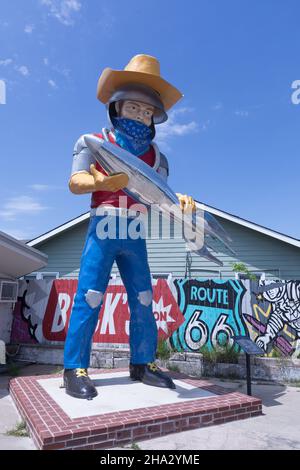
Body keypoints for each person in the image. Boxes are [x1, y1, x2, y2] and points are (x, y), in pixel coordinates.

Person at [63, 54, 196, 399]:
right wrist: (100, 185)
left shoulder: (158, 158)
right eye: (134, 108)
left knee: (143, 296)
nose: (140, 116)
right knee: (90, 295)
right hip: (104, 224)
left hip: (136, 228)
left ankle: (143, 362)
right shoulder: (92, 141)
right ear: (117, 107)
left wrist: (180, 201)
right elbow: (75, 182)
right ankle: (74, 367)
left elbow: (161, 196)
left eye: (147, 111)